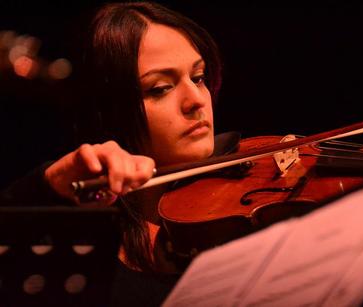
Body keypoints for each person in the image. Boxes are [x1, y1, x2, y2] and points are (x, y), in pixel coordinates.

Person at [1, 1, 223, 306]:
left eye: (198, 77)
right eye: (160, 88)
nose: (196, 100)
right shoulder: (76, 245)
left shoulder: (233, 218)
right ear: (108, 110)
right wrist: (48, 183)